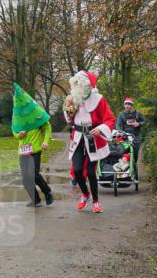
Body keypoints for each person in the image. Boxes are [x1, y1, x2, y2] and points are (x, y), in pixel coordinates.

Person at [65, 71, 115, 213]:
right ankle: (85, 194)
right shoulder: (72, 98)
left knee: (92, 173)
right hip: (77, 137)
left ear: (86, 85)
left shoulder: (98, 99)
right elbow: (69, 120)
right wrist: (69, 113)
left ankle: (96, 201)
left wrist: (100, 129)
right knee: (78, 169)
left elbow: (110, 119)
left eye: (78, 84)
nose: (76, 87)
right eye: (75, 84)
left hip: (93, 137)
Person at [11, 83, 54, 207]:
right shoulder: (17, 115)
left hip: (35, 149)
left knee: (33, 174)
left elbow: (48, 127)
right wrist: (20, 135)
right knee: (25, 179)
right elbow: (14, 130)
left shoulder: (36, 113)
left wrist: (46, 141)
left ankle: (47, 192)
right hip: (23, 150)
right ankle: (35, 199)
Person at [114, 98, 146, 182]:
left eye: (129, 104)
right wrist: (120, 132)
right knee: (124, 154)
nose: (127, 106)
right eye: (125, 104)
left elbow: (144, 121)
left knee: (134, 156)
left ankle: (135, 174)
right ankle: (123, 172)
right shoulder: (121, 114)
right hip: (125, 137)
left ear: (131, 105)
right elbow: (118, 124)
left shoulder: (138, 113)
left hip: (136, 137)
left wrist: (138, 123)